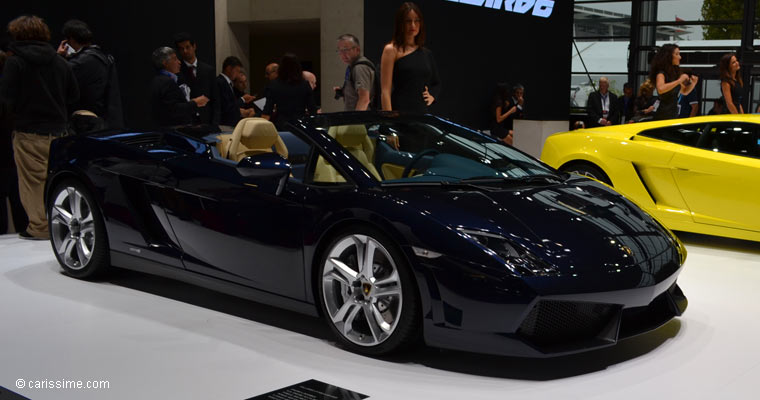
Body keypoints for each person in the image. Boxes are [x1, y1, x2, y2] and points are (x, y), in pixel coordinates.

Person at [0, 15, 79, 240]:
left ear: (17, 35)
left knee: (33, 184)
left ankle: (40, 228)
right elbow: (74, 95)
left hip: (29, 132)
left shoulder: (15, 62)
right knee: (58, 182)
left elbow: (6, 99)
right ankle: (62, 226)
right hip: (60, 132)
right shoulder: (60, 61)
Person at [56, 19, 123, 129]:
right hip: (103, 120)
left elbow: (58, 80)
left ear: (70, 39)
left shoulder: (78, 63)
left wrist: (59, 57)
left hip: (84, 124)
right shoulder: (103, 57)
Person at [380, 2, 441, 113]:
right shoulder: (391, 50)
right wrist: (388, 118)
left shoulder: (426, 53)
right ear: (400, 23)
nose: (413, 25)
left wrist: (432, 96)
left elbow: (436, 82)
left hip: (421, 113)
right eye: (408, 21)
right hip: (399, 112)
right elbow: (385, 90)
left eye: (416, 21)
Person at [0, 49, 28, 234]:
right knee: (18, 189)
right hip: (15, 140)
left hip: (7, 144)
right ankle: (24, 227)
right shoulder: (17, 87)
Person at [149, 46, 208, 127]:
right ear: (165, 63)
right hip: (174, 130)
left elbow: (169, 105)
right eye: (175, 59)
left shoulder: (158, 80)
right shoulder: (167, 82)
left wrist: (190, 102)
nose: (179, 62)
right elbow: (174, 110)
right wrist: (195, 103)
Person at [174, 32, 220, 126]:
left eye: (187, 47)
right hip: (186, 121)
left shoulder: (208, 70)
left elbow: (216, 99)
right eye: (181, 49)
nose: (185, 51)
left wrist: (215, 123)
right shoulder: (176, 72)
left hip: (206, 120)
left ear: (194, 46)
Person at [262, 53, 317, 130]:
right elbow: (312, 109)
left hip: (281, 125)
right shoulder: (305, 85)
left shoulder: (274, 85)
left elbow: (267, 110)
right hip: (301, 126)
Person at [650, 44, 697, 120]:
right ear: (669, 56)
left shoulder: (674, 73)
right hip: (663, 115)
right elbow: (661, 89)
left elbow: (684, 92)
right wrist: (679, 80)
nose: (680, 57)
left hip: (673, 114)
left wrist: (693, 83)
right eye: (677, 54)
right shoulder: (661, 74)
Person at [334, 33, 376, 111]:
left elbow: (364, 99)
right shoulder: (353, 67)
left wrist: (356, 121)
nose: (342, 54)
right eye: (339, 50)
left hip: (361, 120)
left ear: (357, 50)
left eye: (345, 50)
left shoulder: (360, 68)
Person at [216, 56, 247, 128]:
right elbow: (226, 106)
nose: (237, 74)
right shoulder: (220, 82)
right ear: (229, 69)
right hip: (224, 124)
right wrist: (242, 100)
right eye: (237, 71)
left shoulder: (227, 83)